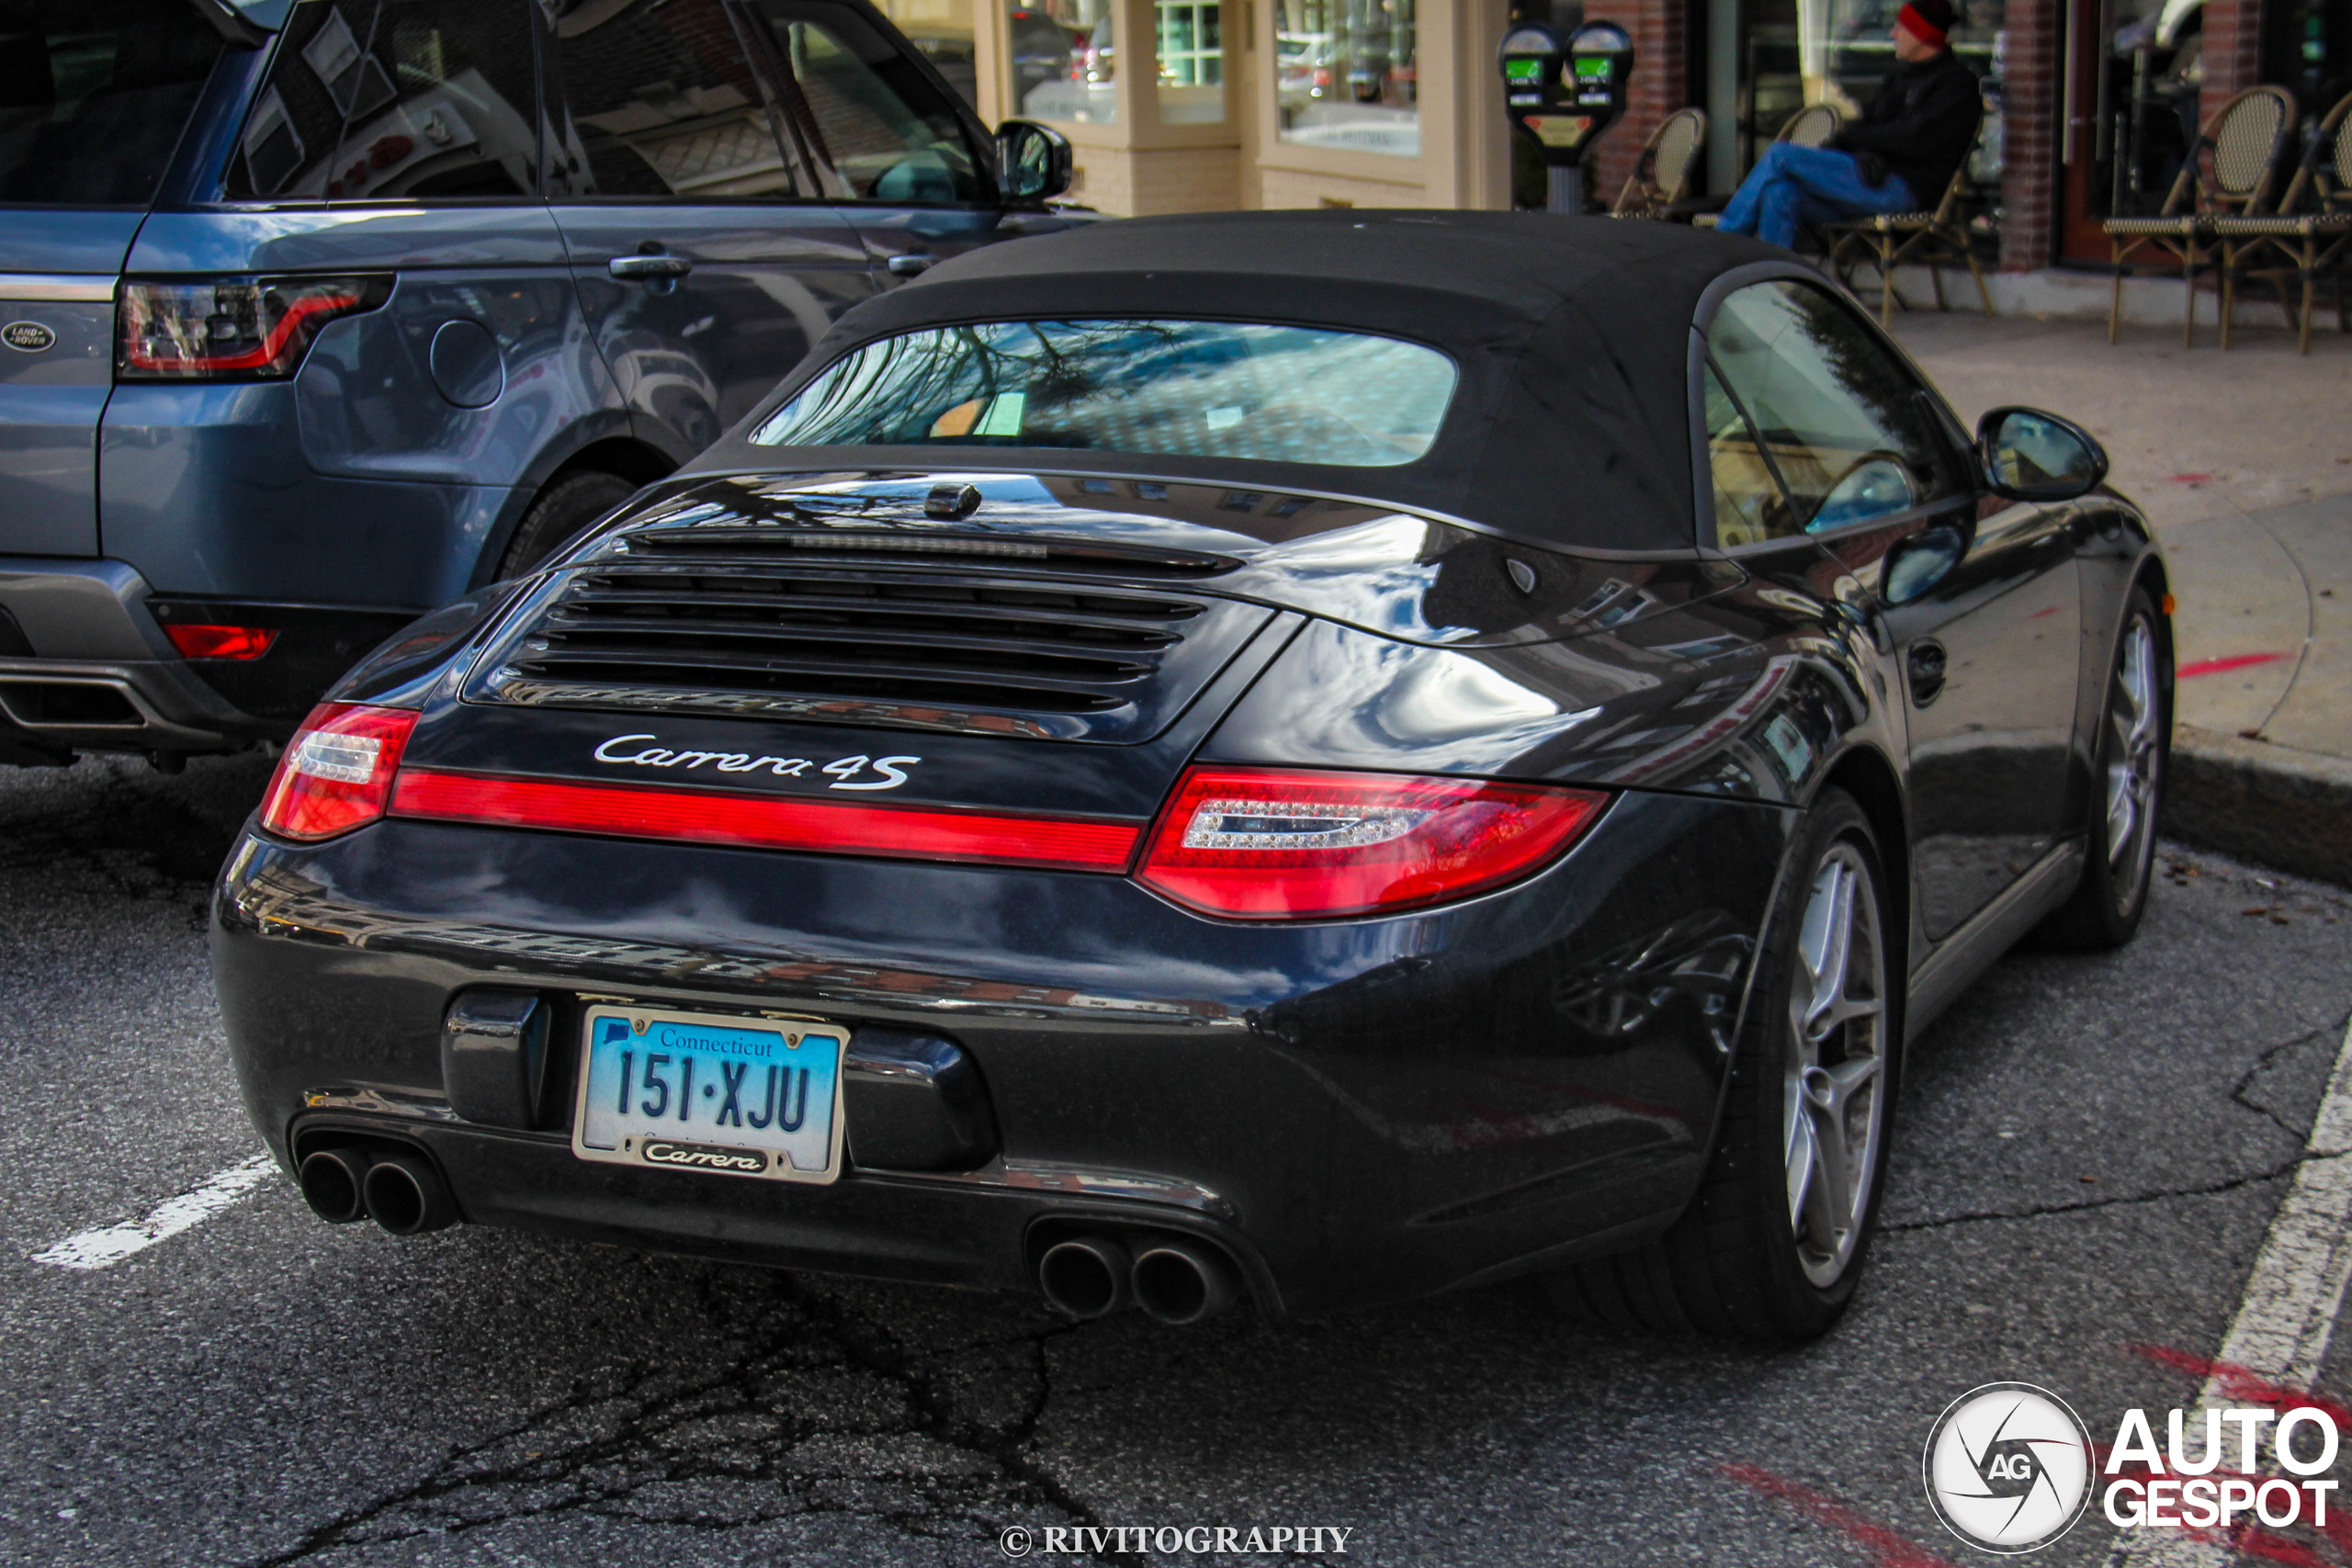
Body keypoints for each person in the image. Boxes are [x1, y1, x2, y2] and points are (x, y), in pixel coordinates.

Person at [1716, 0, 1983, 250]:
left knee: (1780, 155)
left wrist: (1861, 142)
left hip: (1906, 190)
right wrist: (1864, 150)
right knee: (1780, 194)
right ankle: (1767, 285)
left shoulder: (1956, 87)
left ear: (1922, 34)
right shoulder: (1900, 80)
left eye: (1901, 26)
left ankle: (1720, 246)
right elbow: (1867, 130)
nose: (1892, 34)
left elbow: (1910, 140)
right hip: (1870, 182)